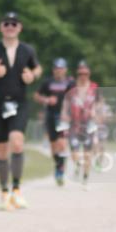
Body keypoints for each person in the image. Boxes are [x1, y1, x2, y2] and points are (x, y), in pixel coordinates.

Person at [0, 13, 41, 210]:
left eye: (14, 24)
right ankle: (4, 192)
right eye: (6, 23)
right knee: (1, 149)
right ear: (1, 27)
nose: (10, 26)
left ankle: (17, 190)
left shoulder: (27, 50)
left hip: (20, 103)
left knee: (17, 141)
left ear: (20, 27)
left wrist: (32, 75)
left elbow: (38, 69)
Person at [34, 57, 74, 186]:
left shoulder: (70, 83)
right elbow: (36, 95)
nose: (59, 71)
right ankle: (58, 165)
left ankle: (61, 170)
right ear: (53, 70)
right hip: (51, 115)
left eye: (61, 69)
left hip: (64, 117)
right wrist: (46, 100)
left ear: (65, 70)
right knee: (53, 147)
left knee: (62, 143)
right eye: (57, 69)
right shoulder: (48, 82)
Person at [60, 60, 99, 188]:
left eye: (85, 73)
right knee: (74, 152)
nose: (83, 76)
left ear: (89, 73)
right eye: (81, 73)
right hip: (74, 124)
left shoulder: (94, 87)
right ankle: (77, 164)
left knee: (88, 152)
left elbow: (99, 103)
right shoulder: (71, 86)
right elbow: (65, 101)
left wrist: (96, 112)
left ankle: (85, 177)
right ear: (78, 73)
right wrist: (64, 113)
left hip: (88, 124)